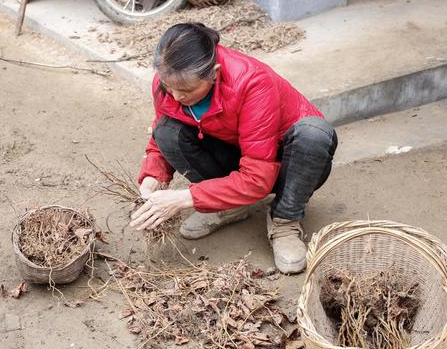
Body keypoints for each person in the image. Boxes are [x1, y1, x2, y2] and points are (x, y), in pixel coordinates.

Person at [130, 22, 338, 274]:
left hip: (289, 162)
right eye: (167, 86)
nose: (174, 96)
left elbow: (258, 179)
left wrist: (186, 198)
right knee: (167, 130)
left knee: (314, 133)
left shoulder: (252, 82)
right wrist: (153, 178)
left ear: (214, 73)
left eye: (185, 90)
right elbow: (159, 138)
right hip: (239, 153)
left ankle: (285, 220)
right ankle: (228, 205)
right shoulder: (169, 81)